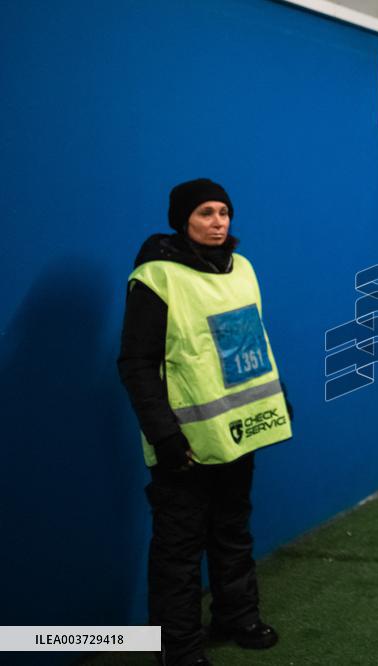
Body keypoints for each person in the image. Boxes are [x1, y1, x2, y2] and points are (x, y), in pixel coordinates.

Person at [118, 178, 292, 666]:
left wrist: (277, 398)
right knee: (179, 548)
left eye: (223, 212)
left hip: (238, 432)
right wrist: (164, 435)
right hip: (184, 444)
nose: (218, 223)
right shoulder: (156, 278)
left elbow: (251, 344)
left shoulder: (243, 269)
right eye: (205, 214)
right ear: (182, 220)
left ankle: (237, 616)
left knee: (233, 530)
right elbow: (136, 363)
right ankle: (178, 648)